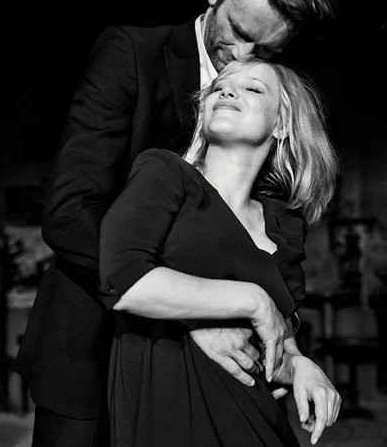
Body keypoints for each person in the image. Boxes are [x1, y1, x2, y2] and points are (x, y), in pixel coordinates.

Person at [13, 0, 337, 445]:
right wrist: (193, 313)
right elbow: (70, 212)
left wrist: (294, 357)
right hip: (90, 346)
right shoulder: (131, 54)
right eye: (238, 30)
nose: (242, 56)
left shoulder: (267, 111)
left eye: (265, 49)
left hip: (198, 380)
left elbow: (264, 268)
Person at [101, 60, 341, 446]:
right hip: (169, 410)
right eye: (219, 86)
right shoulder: (164, 173)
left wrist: (301, 367)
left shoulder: (284, 222)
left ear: (282, 125)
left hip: (256, 416)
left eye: (253, 88)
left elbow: (278, 342)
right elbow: (124, 280)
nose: (227, 90)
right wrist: (253, 300)